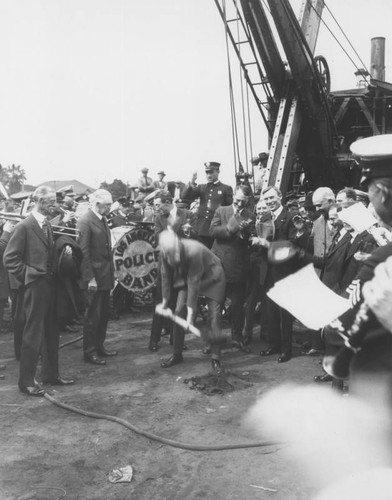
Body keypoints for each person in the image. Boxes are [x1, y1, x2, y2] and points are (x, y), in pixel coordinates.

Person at [4, 186, 75, 396]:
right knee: (32, 335)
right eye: (51, 202)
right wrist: (29, 276)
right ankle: (26, 382)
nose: (55, 205)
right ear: (40, 202)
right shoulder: (24, 226)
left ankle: (51, 374)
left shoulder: (47, 225)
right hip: (35, 287)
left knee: (52, 332)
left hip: (50, 286)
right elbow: (9, 258)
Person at [159, 230, 226, 372]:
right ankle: (177, 354)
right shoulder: (164, 251)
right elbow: (165, 278)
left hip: (213, 276)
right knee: (178, 312)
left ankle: (215, 357)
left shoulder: (193, 250)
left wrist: (190, 315)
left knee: (214, 316)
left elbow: (194, 283)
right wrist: (164, 302)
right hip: (189, 278)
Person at [209, 185, 254, 350]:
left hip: (238, 266)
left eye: (243, 201)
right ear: (234, 195)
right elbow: (212, 230)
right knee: (215, 306)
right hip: (219, 264)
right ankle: (214, 341)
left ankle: (237, 338)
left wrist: (245, 234)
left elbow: (251, 239)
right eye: (237, 199)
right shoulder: (221, 211)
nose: (240, 203)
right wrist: (230, 229)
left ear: (248, 200)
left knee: (237, 306)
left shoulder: (251, 216)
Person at [76, 189, 117, 365]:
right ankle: (90, 352)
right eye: (107, 205)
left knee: (103, 315)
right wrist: (90, 278)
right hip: (94, 277)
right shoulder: (85, 221)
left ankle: (99, 346)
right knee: (92, 316)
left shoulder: (102, 218)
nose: (110, 208)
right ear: (97, 204)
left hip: (105, 275)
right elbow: (83, 253)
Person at [258, 185, 298, 362]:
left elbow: (293, 245)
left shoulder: (290, 217)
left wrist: (269, 246)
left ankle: (286, 349)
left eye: (272, 198)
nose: (269, 202)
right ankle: (274, 345)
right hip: (268, 271)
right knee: (271, 311)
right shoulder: (265, 218)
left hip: (284, 271)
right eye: (266, 199)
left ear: (280, 196)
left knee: (284, 313)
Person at [182, 162, 233, 248]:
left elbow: (229, 210)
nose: (209, 175)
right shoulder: (202, 187)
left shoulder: (226, 189)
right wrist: (192, 181)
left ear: (218, 171)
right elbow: (185, 196)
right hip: (201, 230)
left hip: (217, 230)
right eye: (207, 173)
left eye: (211, 172)